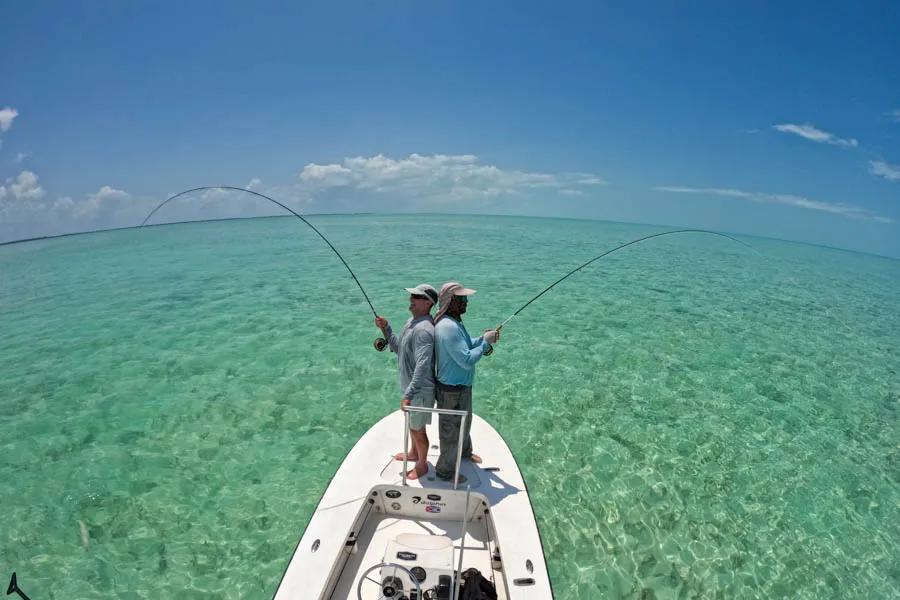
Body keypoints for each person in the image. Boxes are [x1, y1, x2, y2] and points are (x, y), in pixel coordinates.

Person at [432, 281, 500, 484]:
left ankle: (464, 453)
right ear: (451, 301)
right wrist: (486, 343)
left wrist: (482, 339)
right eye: (462, 298)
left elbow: (466, 344)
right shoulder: (447, 327)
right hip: (450, 390)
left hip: (462, 387)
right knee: (450, 432)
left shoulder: (455, 323)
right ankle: (444, 472)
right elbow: (467, 359)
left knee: (465, 424)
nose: (466, 301)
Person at [374, 283, 439, 480]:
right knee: (412, 425)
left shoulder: (424, 330)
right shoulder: (411, 322)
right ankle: (413, 453)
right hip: (411, 389)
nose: (411, 299)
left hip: (419, 391)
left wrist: (409, 394)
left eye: (416, 297)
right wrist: (386, 329)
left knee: (418, 430)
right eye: (412, 295)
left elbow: (423, 365)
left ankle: (422, 464)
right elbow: (397, 347)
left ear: (428, 303)